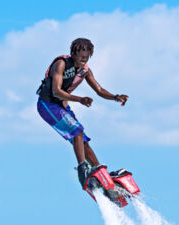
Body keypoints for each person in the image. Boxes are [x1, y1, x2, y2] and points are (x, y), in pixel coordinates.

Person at [36, 38, 128, 187]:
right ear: (73, 53)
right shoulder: (61, 64)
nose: (84, 60)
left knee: (83, 140)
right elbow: (56, 91)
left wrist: (115, 97)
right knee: (77, 131)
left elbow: (99, 90)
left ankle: (101, 175)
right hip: (48, 105)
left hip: (62, 107)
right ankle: (83, 171)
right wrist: (80, 99)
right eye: (81, 56)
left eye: (87, 57)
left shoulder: (85, 70)